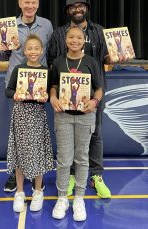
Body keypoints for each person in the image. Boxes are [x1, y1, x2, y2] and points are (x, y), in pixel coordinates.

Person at [0, 0, 53, 192]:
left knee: (37, 135)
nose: (30, 6)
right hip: (17, 87)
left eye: (33, 3)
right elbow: (3, 55)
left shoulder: (47, 25)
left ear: (38, 4)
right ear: (20, 4)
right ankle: (16, 176)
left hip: (39, 87)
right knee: (17, 135)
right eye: (26, 3)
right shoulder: (10, 26)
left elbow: (51, 52)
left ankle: (35, 174)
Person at [47, 0, 113, 199]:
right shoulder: (58, 34)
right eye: (73, 7)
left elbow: (108, 60)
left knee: (96, 135)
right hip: (67, 101)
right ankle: (72, 176)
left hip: (93, 96)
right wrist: (55, 95)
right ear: (68, 11)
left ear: (86, 8)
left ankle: (96, 176)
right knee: (69, 141)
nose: (77, 9)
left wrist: (119, 55)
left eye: (81, 6)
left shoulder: (99, 31)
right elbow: (52, 66)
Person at [50, 25, 103, 221]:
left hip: (85, 116)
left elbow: (98, 89)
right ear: (65, 40)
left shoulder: (90, 62)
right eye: (71, 37)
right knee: (64, 159)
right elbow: (53, 86)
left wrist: (94, 101)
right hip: (63, 115)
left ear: (84, 41)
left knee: (82, 157)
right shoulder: (57, 62)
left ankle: (79, 197)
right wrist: (53, 98)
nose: (74, 40)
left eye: (78, 38)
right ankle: (62, 197)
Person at [6, 34, 54, 212]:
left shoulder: (46, 72)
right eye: (29, 49)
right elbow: (8, 91)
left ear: (41, 51)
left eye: (36, 48)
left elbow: (49, 94)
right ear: (25, 51)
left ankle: (38, 191)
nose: (33, 52)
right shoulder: (19, 69)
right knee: (20, 153)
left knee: (37, 152)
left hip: (37, 115)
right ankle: (19, 192)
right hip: (20, 114)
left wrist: (47, 97)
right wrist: (15, 95)